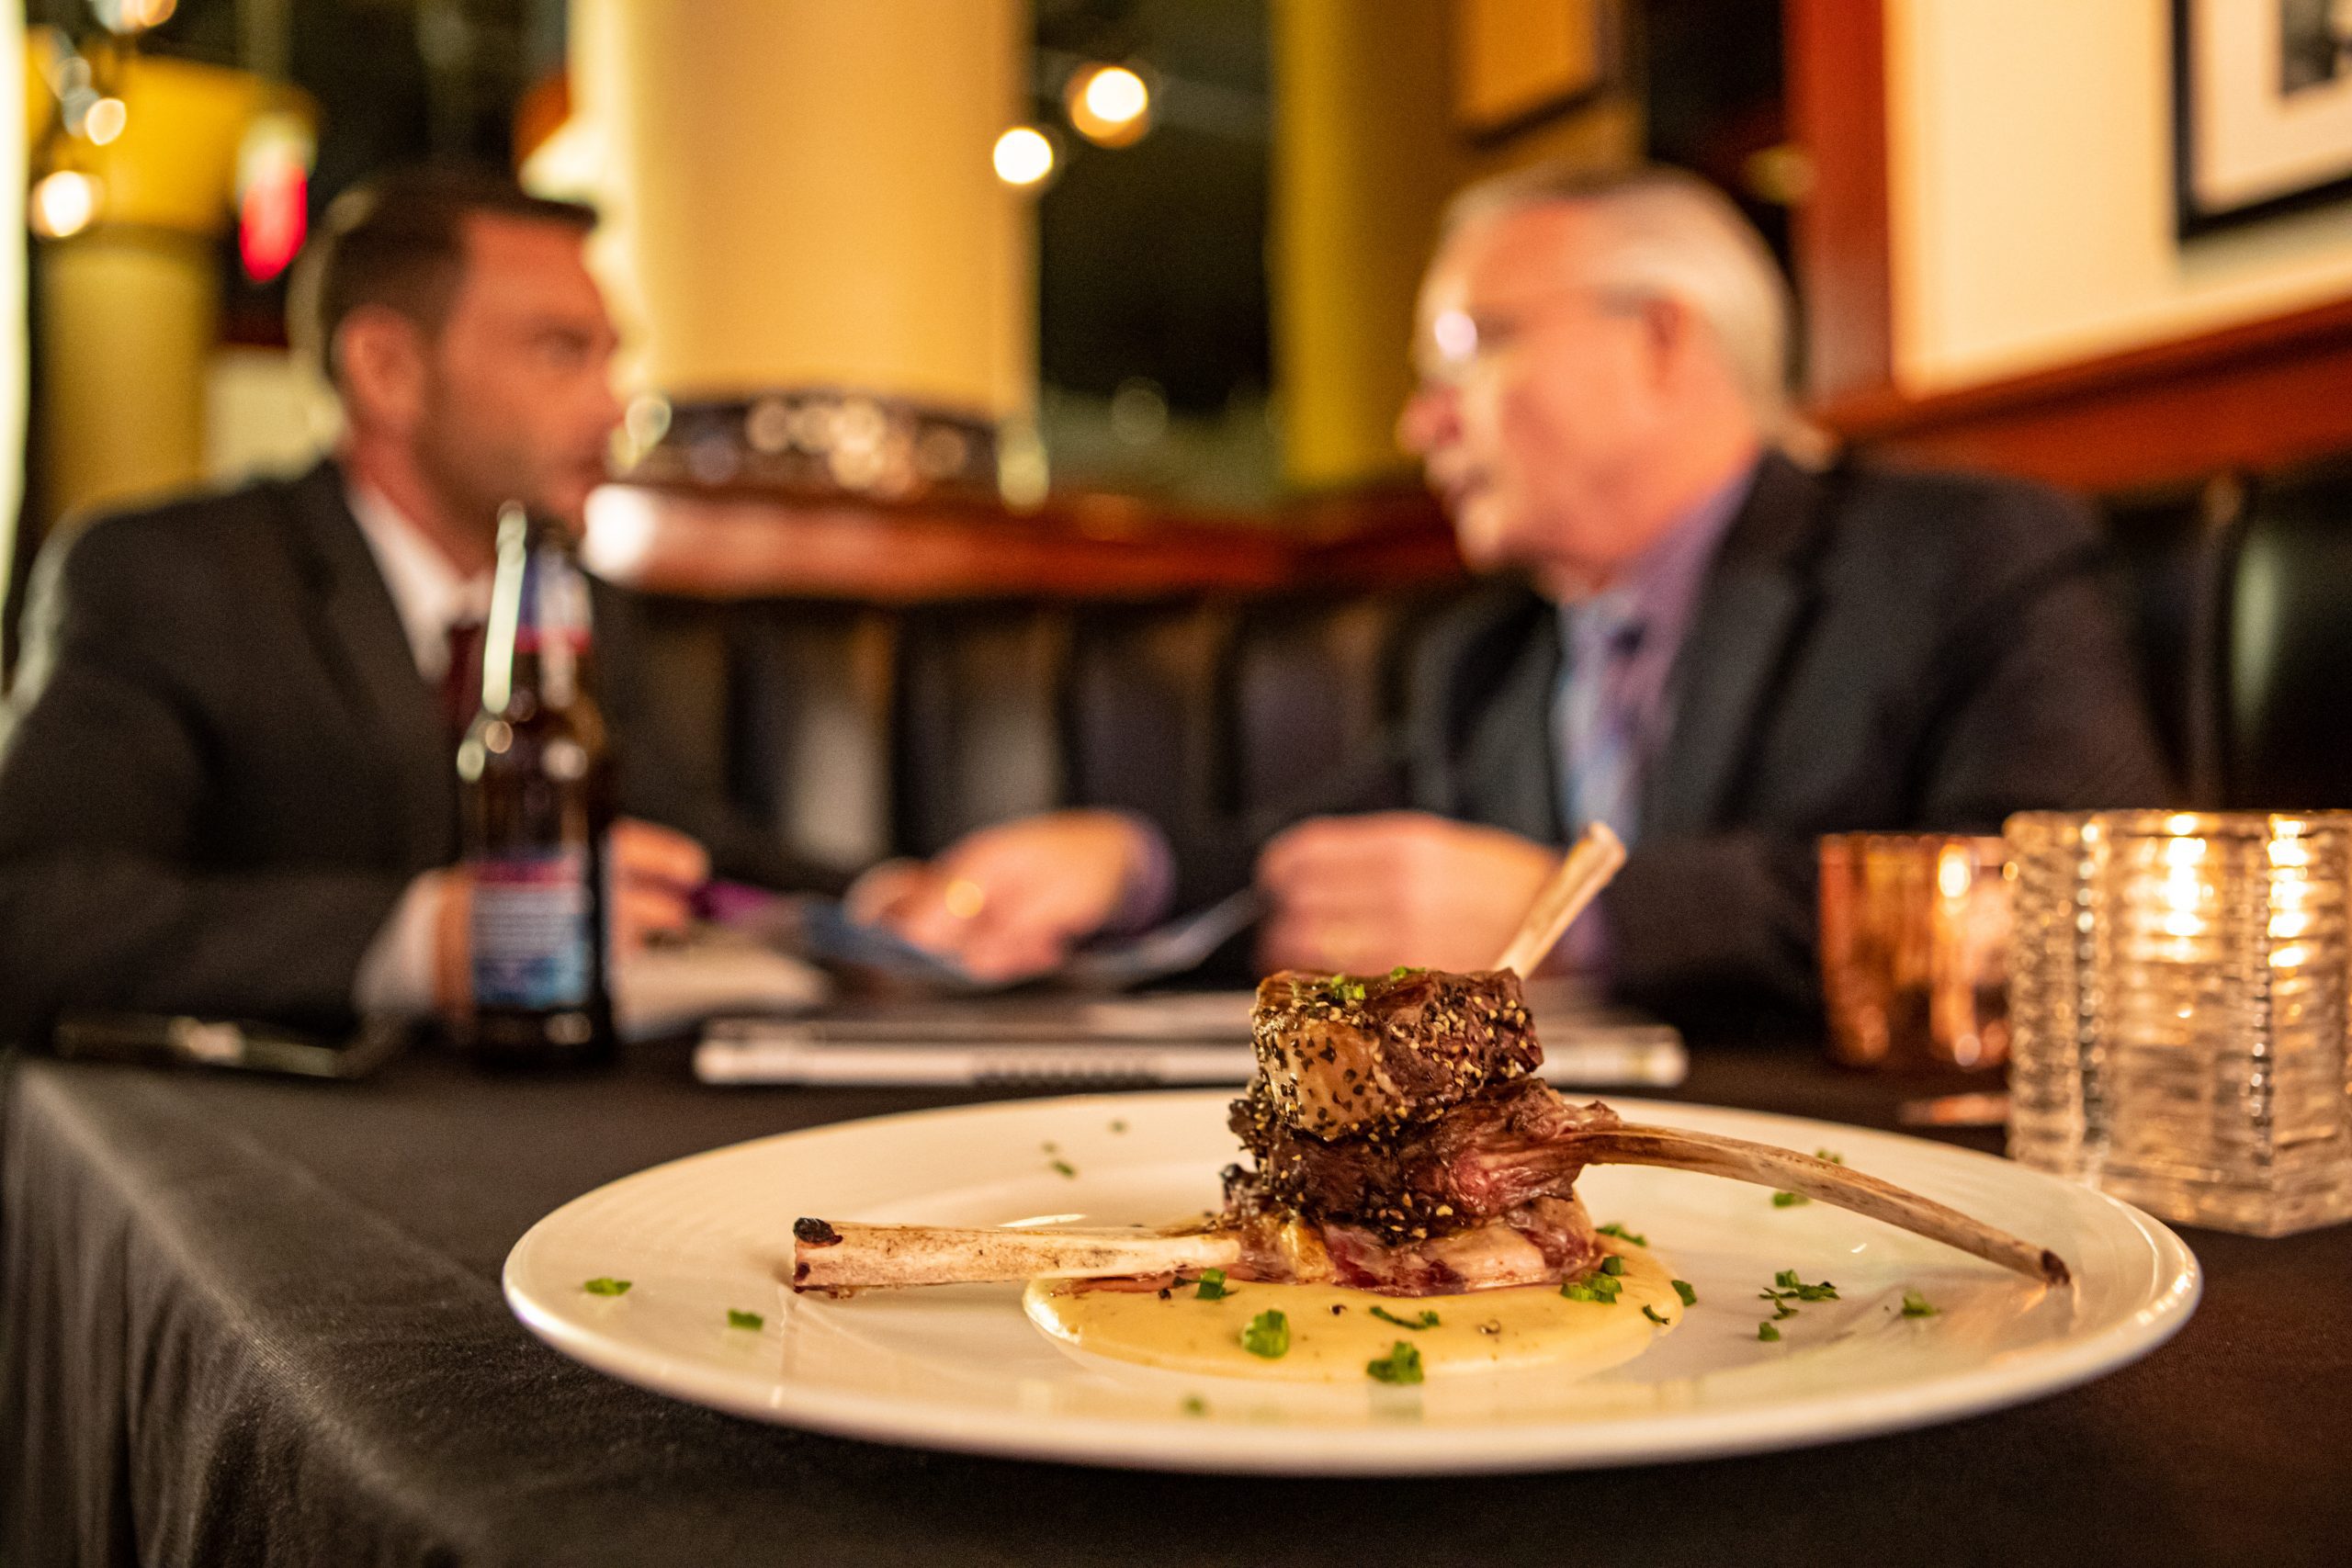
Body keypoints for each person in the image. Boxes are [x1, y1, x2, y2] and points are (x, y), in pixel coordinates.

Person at [854, 164, 2169, 1018]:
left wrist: (1574, 916)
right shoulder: (1492, 655)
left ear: (1660, 338)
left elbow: (2073, 908)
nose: (1422, 422)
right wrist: (1121, 863)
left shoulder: (1965, 553)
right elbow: (1326, 849)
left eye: (1470, 351)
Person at [0, 167, 823, 1045]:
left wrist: (894, 901)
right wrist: (420, 942)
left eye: (610, 356)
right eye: (559, 350)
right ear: (386, 370)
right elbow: (33, 919)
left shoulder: (575, 605)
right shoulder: (166, 574)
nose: (612, 404)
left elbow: (694, 843)